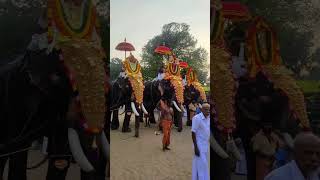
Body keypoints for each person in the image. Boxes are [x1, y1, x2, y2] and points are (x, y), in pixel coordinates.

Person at [192, 102, 210, 180]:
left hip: (206, 145)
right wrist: (196, 147)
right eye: (205, 109)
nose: (207, 111)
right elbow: (193, 132)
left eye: (209, 109)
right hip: (199, 145)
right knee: (203, 165)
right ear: (201, 110)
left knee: (198, 164)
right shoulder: (197, 118)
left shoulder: (209, 118)